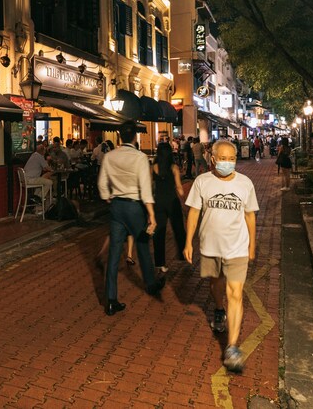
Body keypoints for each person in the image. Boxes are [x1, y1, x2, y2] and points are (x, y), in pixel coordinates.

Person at [183, 140, 258, 373]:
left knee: (235, 293)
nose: (227, 163)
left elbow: (250, 217)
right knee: (216, 284)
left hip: (237, 247)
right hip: (210, 246)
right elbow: (194, 212)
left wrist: (252, 245)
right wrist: (188, 242)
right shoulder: (202, 182)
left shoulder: (245, 184)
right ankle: (218, 309)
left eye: (231, 158)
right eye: (223, 158)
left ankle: (232, 346)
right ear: (213, 159)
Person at [97, 121, 163, 316]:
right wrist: (151, 214)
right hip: (134, 206)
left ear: (119, 136)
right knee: (142, 245)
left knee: (115, 253)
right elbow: (145, 188)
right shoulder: (140, 158)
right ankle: (150, 284)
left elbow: (102, 183)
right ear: (135, 136)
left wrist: (107, 197)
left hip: (117, 205)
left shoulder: (110, 156)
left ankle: (110, 299)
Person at [152, 143, 186, 272]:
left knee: (159, 233)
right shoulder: (174, 168)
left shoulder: (153, 167)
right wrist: (183, 200)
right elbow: (179, 187)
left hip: (158, 202)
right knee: (178, 229)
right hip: (172, 201)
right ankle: (183, 254)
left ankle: (160, 262)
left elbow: (151, 186)